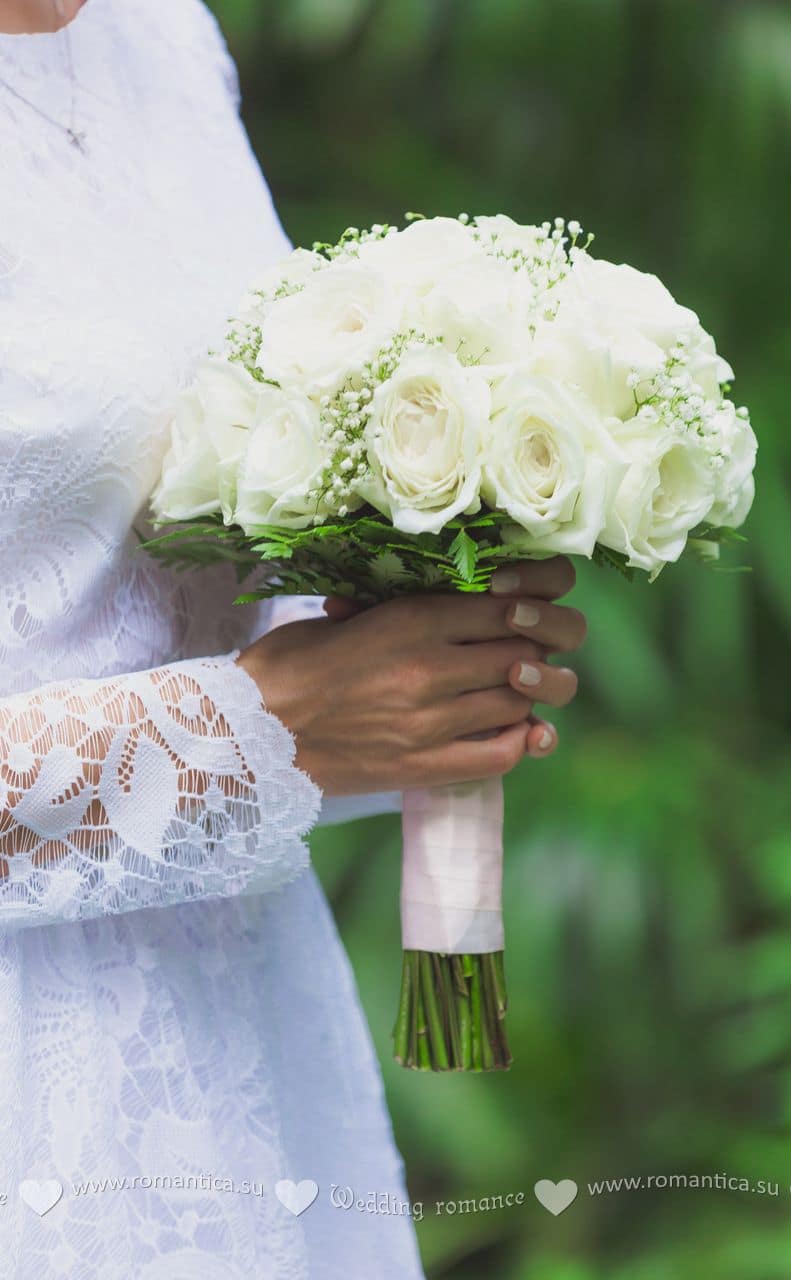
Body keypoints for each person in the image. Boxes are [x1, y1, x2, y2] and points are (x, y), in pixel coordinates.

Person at [0, 1, 585, 1275]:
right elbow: (259, 715)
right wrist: (251, 733)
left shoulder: (163, 35)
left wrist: (411, 633)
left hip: (238, 1046)